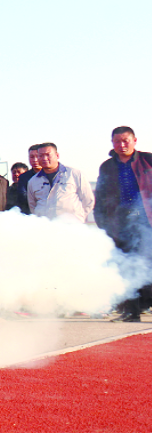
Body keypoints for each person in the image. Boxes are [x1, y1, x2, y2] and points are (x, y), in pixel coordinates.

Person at [94, 126, 152, 322]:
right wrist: (102, 223)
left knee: (147, 265)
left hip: (147, 222)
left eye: (126, 140)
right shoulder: (107, 166)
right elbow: (100, 197)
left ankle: (144, 305)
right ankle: (131, 312)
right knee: (125, 267)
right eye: (117, 141)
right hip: (120, 223)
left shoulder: (148, 160)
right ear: (112, 143)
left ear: (135, 140)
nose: (122, 144)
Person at [28, 143, 94, 222]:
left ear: (57, 155)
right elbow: (32, 206)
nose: (44, 158)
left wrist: (78, 218)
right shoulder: (33, 181)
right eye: (41, 155)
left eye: (48, 155)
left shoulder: (74, 174)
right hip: (45, 227)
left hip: (71, 226)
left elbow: (88, 200)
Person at [13, 145, 42, 214]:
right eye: (32, 157)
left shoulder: (51, 175)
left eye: (37, 156)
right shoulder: (24, 178)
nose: (35, 160)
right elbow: (23, 198)